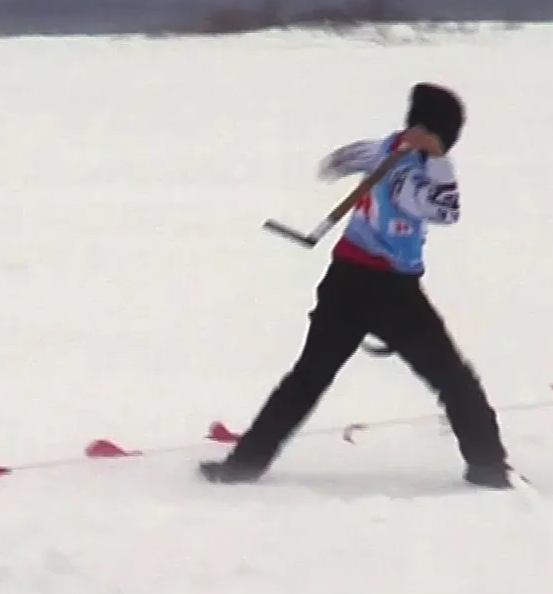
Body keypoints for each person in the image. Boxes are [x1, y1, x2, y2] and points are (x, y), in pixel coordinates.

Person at [200, 83, 513, 489]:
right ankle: (489, 467)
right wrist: (435, 160)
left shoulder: (387, 149)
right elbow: (446, 210)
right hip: (388, 292)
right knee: (453, 379)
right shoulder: (408, 176)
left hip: (344, 280)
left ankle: (244, 465)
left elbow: (341, 160)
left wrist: (351, 163)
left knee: (308, 377)